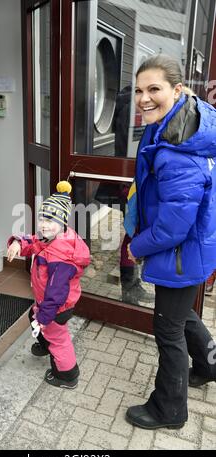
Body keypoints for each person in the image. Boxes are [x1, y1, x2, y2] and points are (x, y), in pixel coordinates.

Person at [124, 54, 216, 430]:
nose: (144, 98)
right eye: (139, 90)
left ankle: (170, 410)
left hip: (181, 251)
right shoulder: (177, 124)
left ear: (178, 90)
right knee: (182, 315)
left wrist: (136, 247)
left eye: (154, 89)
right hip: (193, 250)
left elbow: (172, 229)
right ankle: (209, 364)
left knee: (168, 330)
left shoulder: (180, 150)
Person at [7, 181, 90, 389]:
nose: (44, 224)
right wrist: (18, 242)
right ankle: (44, 344)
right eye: (42, 218)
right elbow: (34, 241)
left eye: (51, 219)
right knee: (33, 317)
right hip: (48, 301)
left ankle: (67, 376)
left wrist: (44, 317)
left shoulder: (61, 257)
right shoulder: (51, 238)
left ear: (63, 221)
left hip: (56, 306)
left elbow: (56, 293)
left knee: (58, 338)